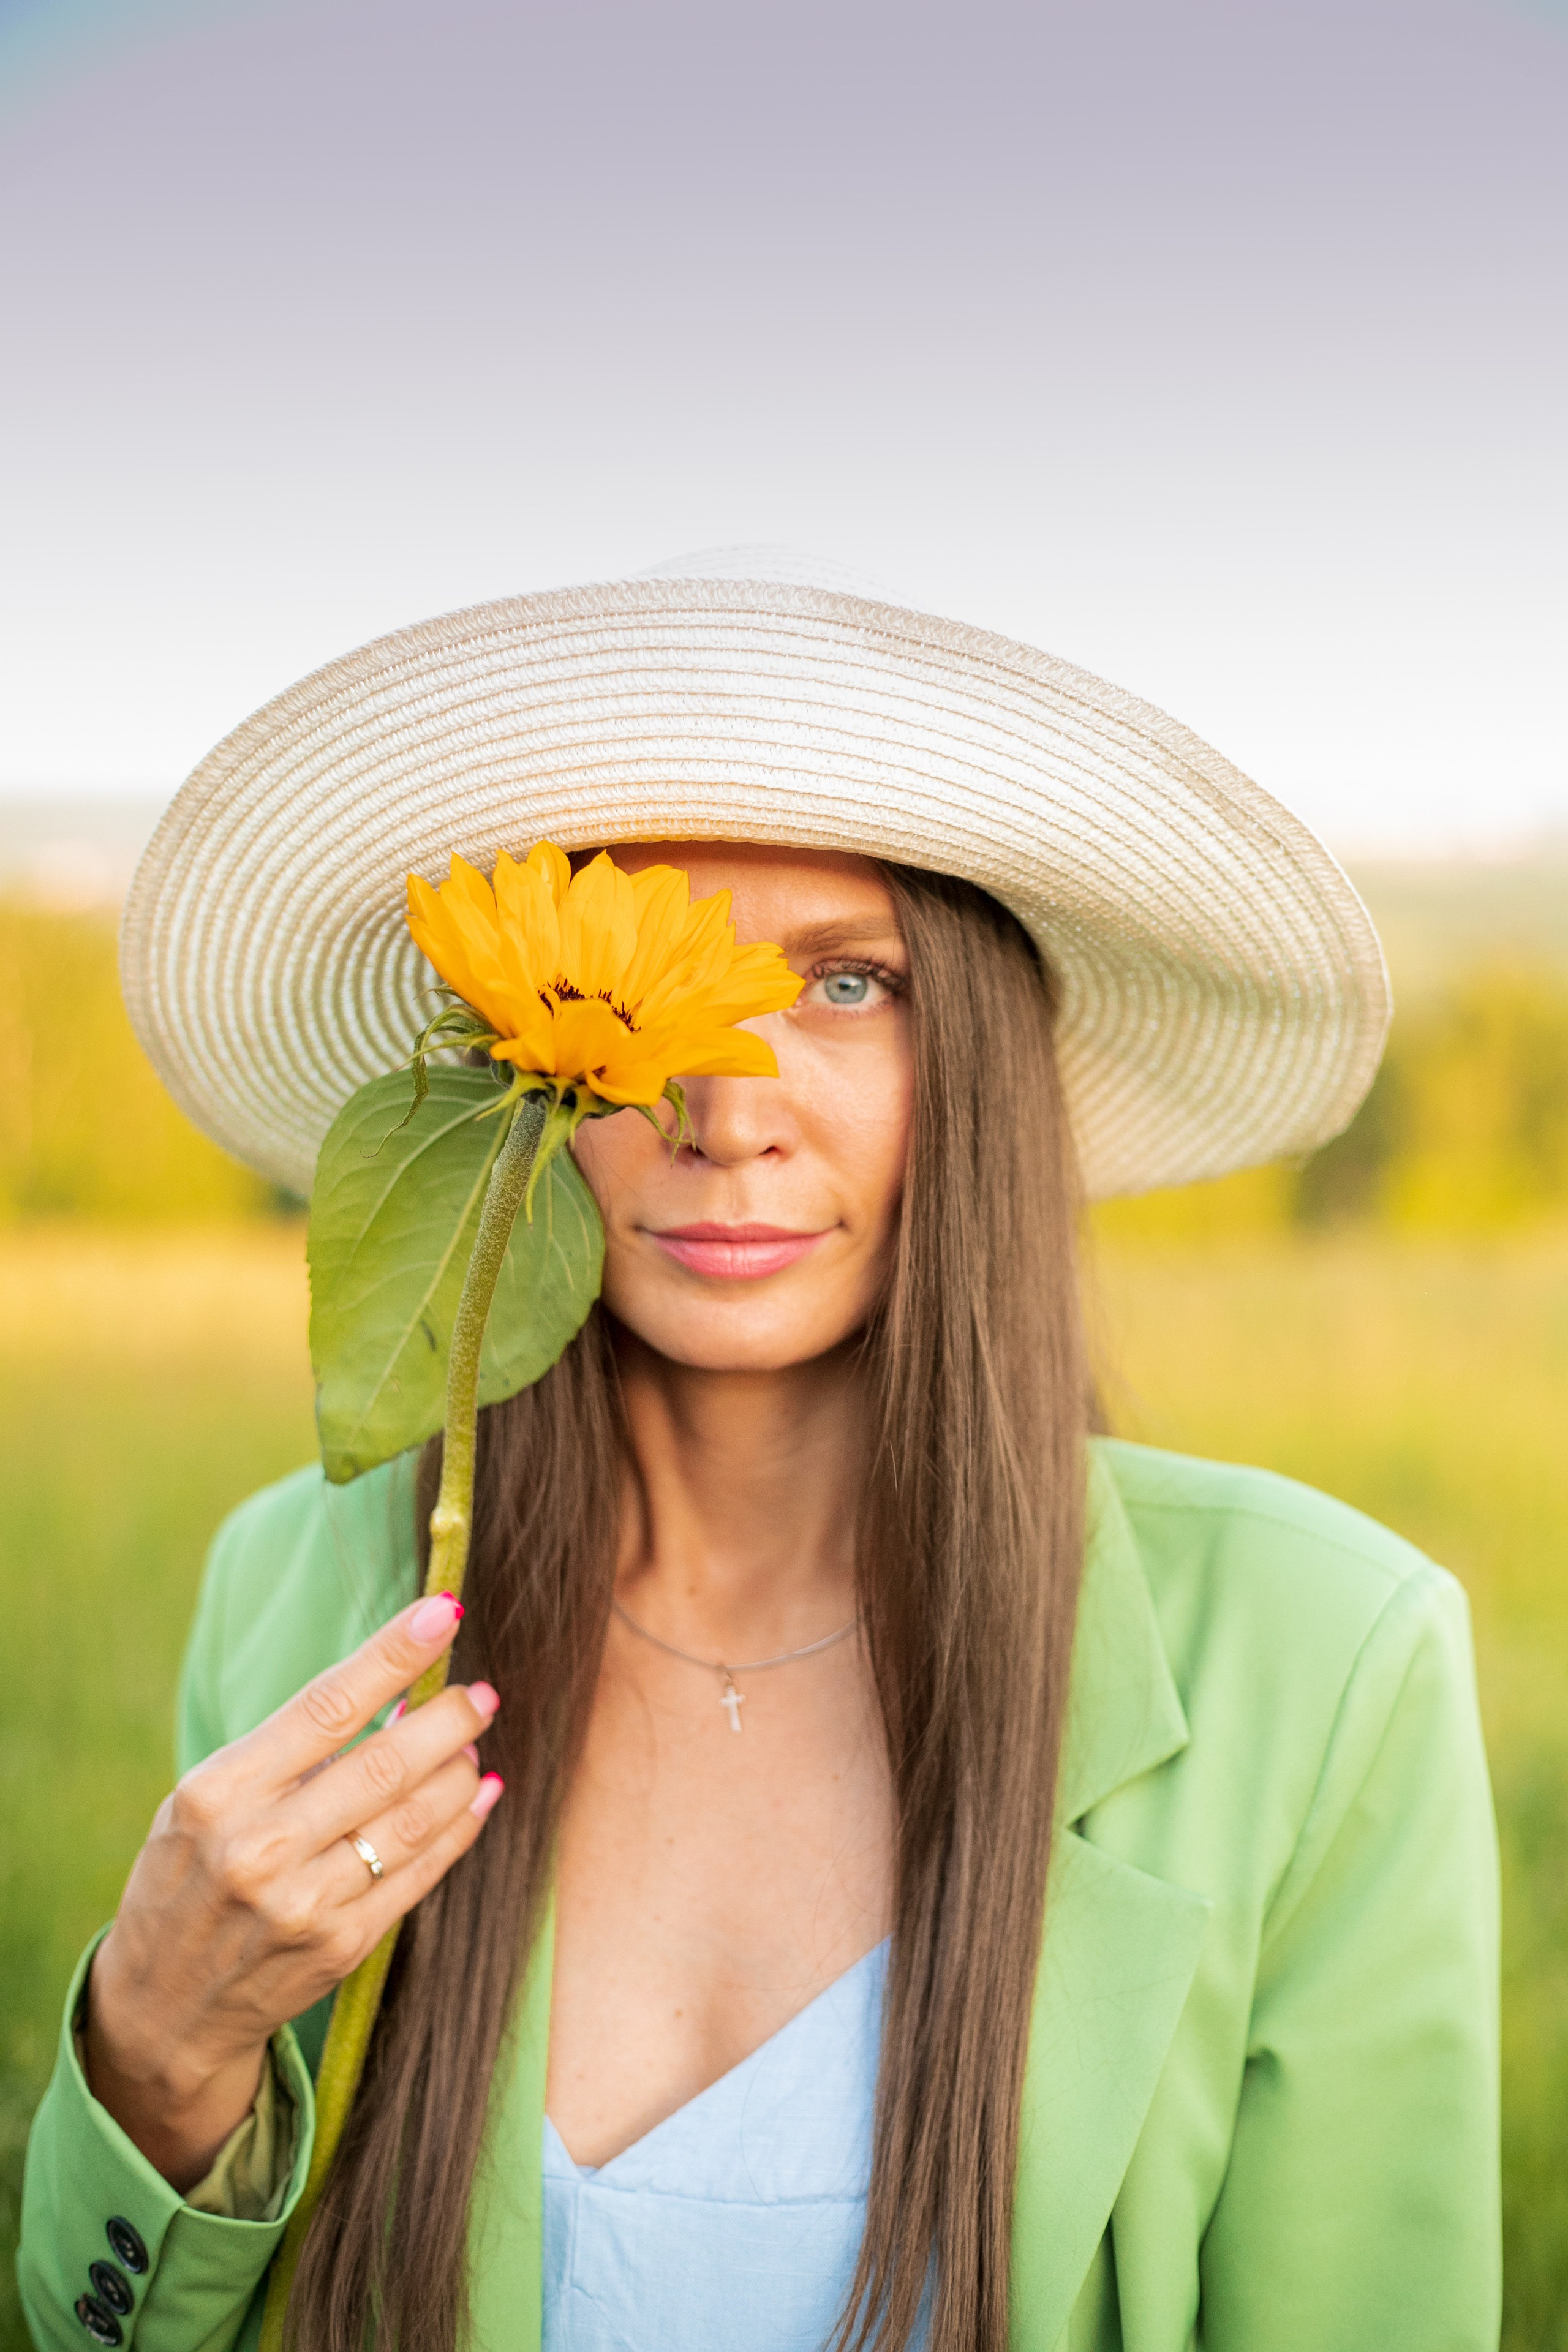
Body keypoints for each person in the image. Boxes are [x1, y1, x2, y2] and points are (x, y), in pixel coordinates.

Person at [20, 553, 1499, 2352]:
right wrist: (155, 2051)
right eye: (644, 1004)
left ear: (989, 1049)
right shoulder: (309, 1586)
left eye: (847, 985)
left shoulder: (1325, 1663)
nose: (727, 1114)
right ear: (515, 1064)